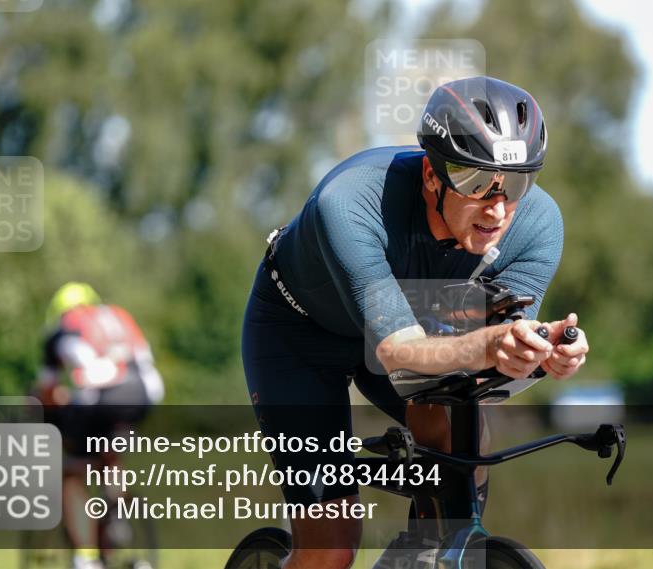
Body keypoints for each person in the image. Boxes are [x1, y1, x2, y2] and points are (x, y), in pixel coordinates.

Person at [241, 76, 589, 569]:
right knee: (331, 550)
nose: (496, 207)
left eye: (515, 184)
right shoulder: (350, 202)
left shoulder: (537, 225)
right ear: (431, 175)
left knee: (461, 431)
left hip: (418, 325)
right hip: (300, 336)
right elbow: (399, 353)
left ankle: (426, 554)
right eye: (476, 183)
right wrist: (491, 343)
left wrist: (545, 351)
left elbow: (496, 356)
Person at [35, 282, 164, 569]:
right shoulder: (117, 315)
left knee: (71, 473)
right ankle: (117, 515)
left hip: (104, 394)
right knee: (109, 453)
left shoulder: (62, 326)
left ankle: (86, 558)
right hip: (146, 392)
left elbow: (47, 391)